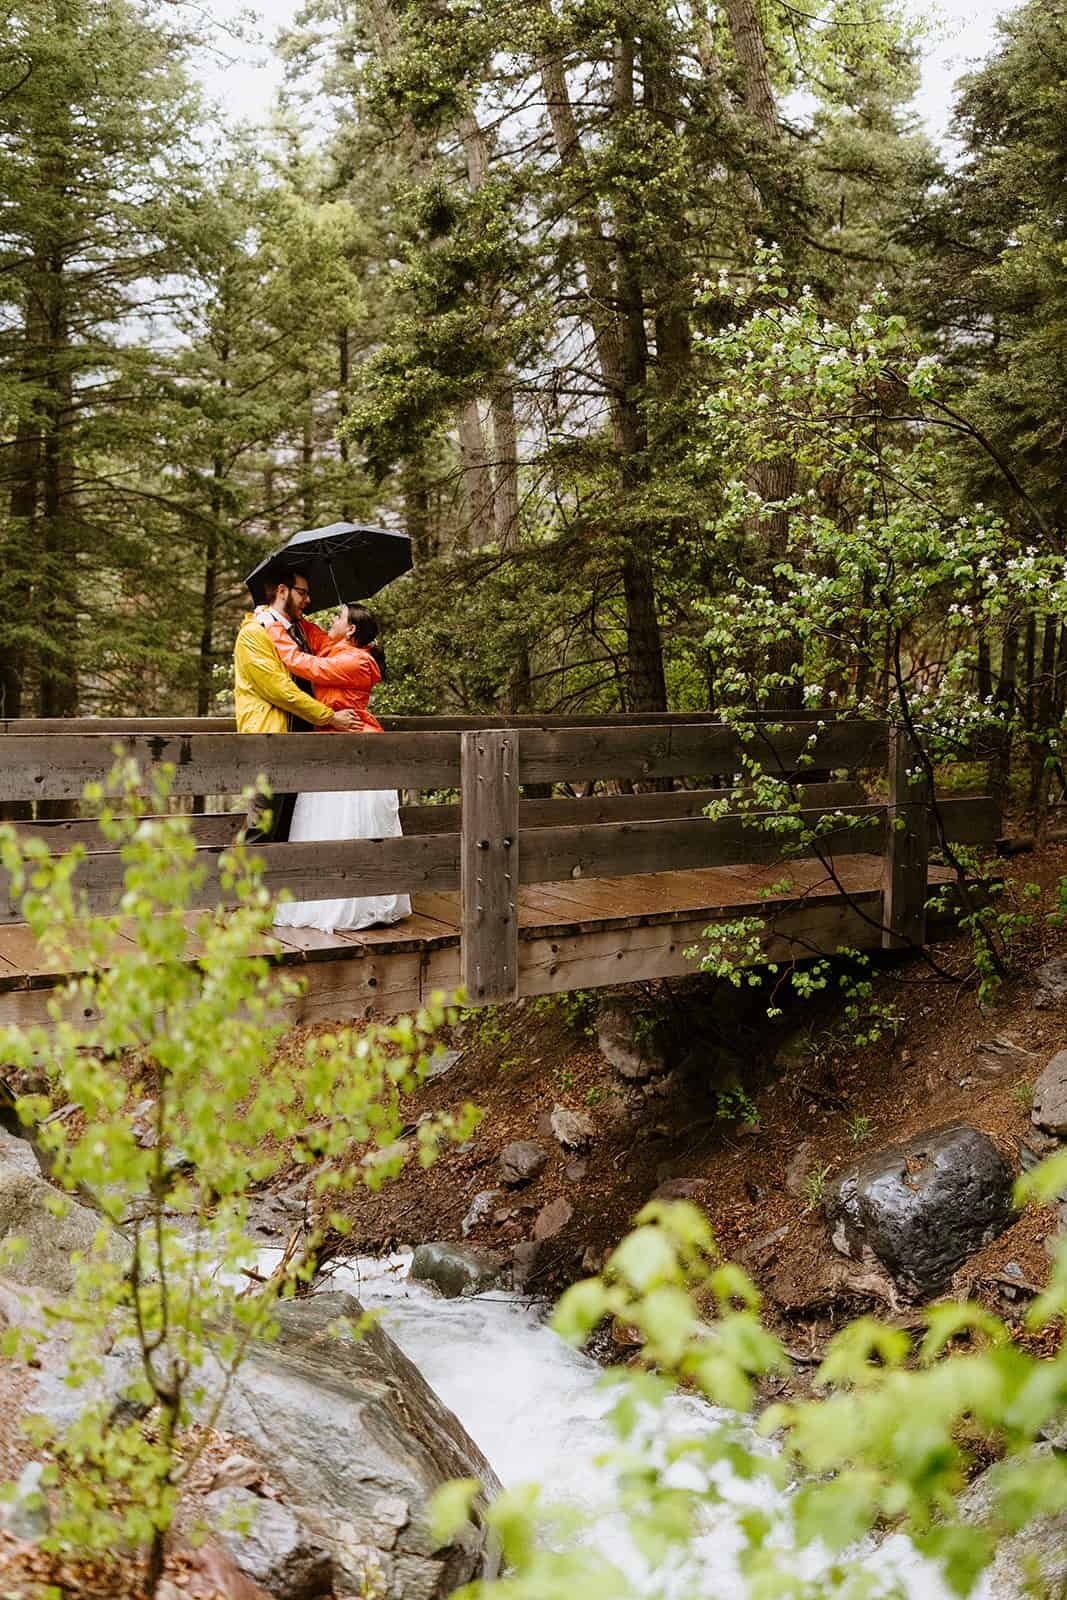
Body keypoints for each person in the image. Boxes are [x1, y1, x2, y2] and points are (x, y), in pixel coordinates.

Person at [267, 602, 412, 933]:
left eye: (339, 617)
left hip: (356, 748)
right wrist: (290, 616)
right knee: (325, 823)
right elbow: (316, 638)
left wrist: (271, 626)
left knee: (352, 822)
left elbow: (306, 665)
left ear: (351, 630)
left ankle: (358, 902)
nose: (331, 619)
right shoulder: (339, 649)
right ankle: (324, 898)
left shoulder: (357, 661)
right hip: (332, 745)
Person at [233, 569, 359, 842]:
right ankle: (240, 884)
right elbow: (280, 690)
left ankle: (276, 886)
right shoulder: (254, 634)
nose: (308, 600)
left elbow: (330, 657)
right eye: (302, 592)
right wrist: (329, 717)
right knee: (262, 827)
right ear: (282, 591)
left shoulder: (298, 631)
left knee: (289, 829)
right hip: (269, 741)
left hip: (300, 741)